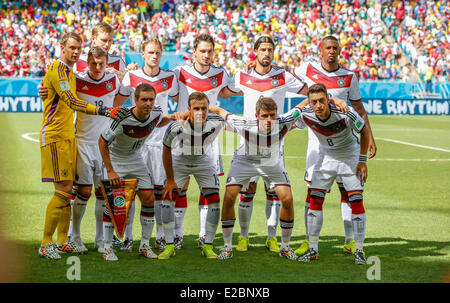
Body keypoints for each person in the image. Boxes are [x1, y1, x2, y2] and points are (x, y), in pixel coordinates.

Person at [38, 32, 128, 260]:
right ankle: (50, 242)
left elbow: (124, 94)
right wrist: (103, 110)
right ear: (62, 47)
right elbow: (69, 99)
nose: (75, 51)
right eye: (72, 48)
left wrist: (123, 74)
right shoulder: (65, 72)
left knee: (75, 192)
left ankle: (64, 241)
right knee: (66, 192)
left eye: (78, 48)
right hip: (61, 136)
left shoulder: (72, 72)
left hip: (80, 139)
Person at [293, 35, 376, 256]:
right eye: (327, 48)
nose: (331, 51)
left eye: (335, 48)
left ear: (339, 50)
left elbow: (359, 110)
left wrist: (371, 138)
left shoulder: (349, 76)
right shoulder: (306, 69)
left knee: (347, 192)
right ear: (320, 51)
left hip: (344, 139)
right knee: (312, 192)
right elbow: (284, 79)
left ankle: (351, 240)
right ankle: (309, 241)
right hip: (316, 142)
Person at [230, 35, 308, 254]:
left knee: (273, 190)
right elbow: (224, 90)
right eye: (263, 49)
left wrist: (296, 122)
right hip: (248, 144)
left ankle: (271, 238)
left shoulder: (283, 76)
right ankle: (243, 237)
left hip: (275, 144)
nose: (267, 53)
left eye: (270, 50)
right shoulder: (241, 74)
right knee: (248, 190)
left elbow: (309, 93)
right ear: (255, 51)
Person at [208, 97, 303, 260]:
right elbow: (219, 111)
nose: (269, 120)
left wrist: (334, 100)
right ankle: (227, 247)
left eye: (272, 115)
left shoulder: (284, 120)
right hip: (245, 160)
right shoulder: (243, 123)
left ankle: (285, 247)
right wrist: (193, 111)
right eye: (265, 116)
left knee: (287, 199)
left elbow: (303, 104)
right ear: (256, 115)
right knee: (229, 197)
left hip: (272, 161)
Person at [172, 34, 241, 249]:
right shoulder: (179, 72)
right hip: (183, 135)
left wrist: (246, 70)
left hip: (209, 138)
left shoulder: (220, 73)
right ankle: (177, 234)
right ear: (194, 52)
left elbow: (228, 93)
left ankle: (203, 235)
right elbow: (174, 96)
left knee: (207, 188)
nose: (206, 55)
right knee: (179, 187)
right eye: (202, 51)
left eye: (210, 51)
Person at [98, 83, 179, 261]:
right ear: (135, 100)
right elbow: (102, 141)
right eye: (144, 100)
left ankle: (144, 245)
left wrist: (172, 118)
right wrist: (110, 171)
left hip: (135, 159)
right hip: (117, 161)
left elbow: (158, 121)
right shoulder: (122, 118)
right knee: (115, 205)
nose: (148, 103)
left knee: (149, 198)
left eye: (151, 99)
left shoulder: (156, 112)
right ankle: (107, 248)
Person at [294, 83, 369, 265]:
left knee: (356, 201)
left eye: (321, 101)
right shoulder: (306, 114)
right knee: (315, 200)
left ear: (328, 100)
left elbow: (364, 131)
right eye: (314, 102)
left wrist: (362, 161)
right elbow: (292, 117)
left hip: (349, 156)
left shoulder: (346, 112)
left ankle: (359, 250)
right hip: (325, 156)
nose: (318, 106)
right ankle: (313, 249)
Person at [118, 37, 179, 252]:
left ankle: (161, 236)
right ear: (142, 54)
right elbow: (117, 101)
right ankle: (128, 236)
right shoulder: (131, 75)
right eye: (150, 52)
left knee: (160, 192)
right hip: (135, 143)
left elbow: (180, 97)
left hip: (159, 143)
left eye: (157, 53)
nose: (154, 56)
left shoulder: (170, 77)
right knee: (131, 191)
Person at [69, 46, 124, 254]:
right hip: (82, 143)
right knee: (83, 192)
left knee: (102, 194)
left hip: (104, 146)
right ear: (87, 62)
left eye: (101, 63)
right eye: (93, 63)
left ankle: (100, 239)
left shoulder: (114, 80)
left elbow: (120, 101)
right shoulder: (78, 79)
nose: (97, 67)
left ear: (107, 62)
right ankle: (75, 236)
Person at [160, 92, 224, 259]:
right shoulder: (175, 126)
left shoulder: (216, 121)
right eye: (196, 108)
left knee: (215, 199)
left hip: (203, 161)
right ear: (188, 109)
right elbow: (166, 150)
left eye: (204, 108)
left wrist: (214, 109)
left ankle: (208, 245)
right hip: (180, 160)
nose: (200, 112)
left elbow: (224, 114)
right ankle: (169, 245)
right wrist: (170, 179)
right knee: (167, 198)